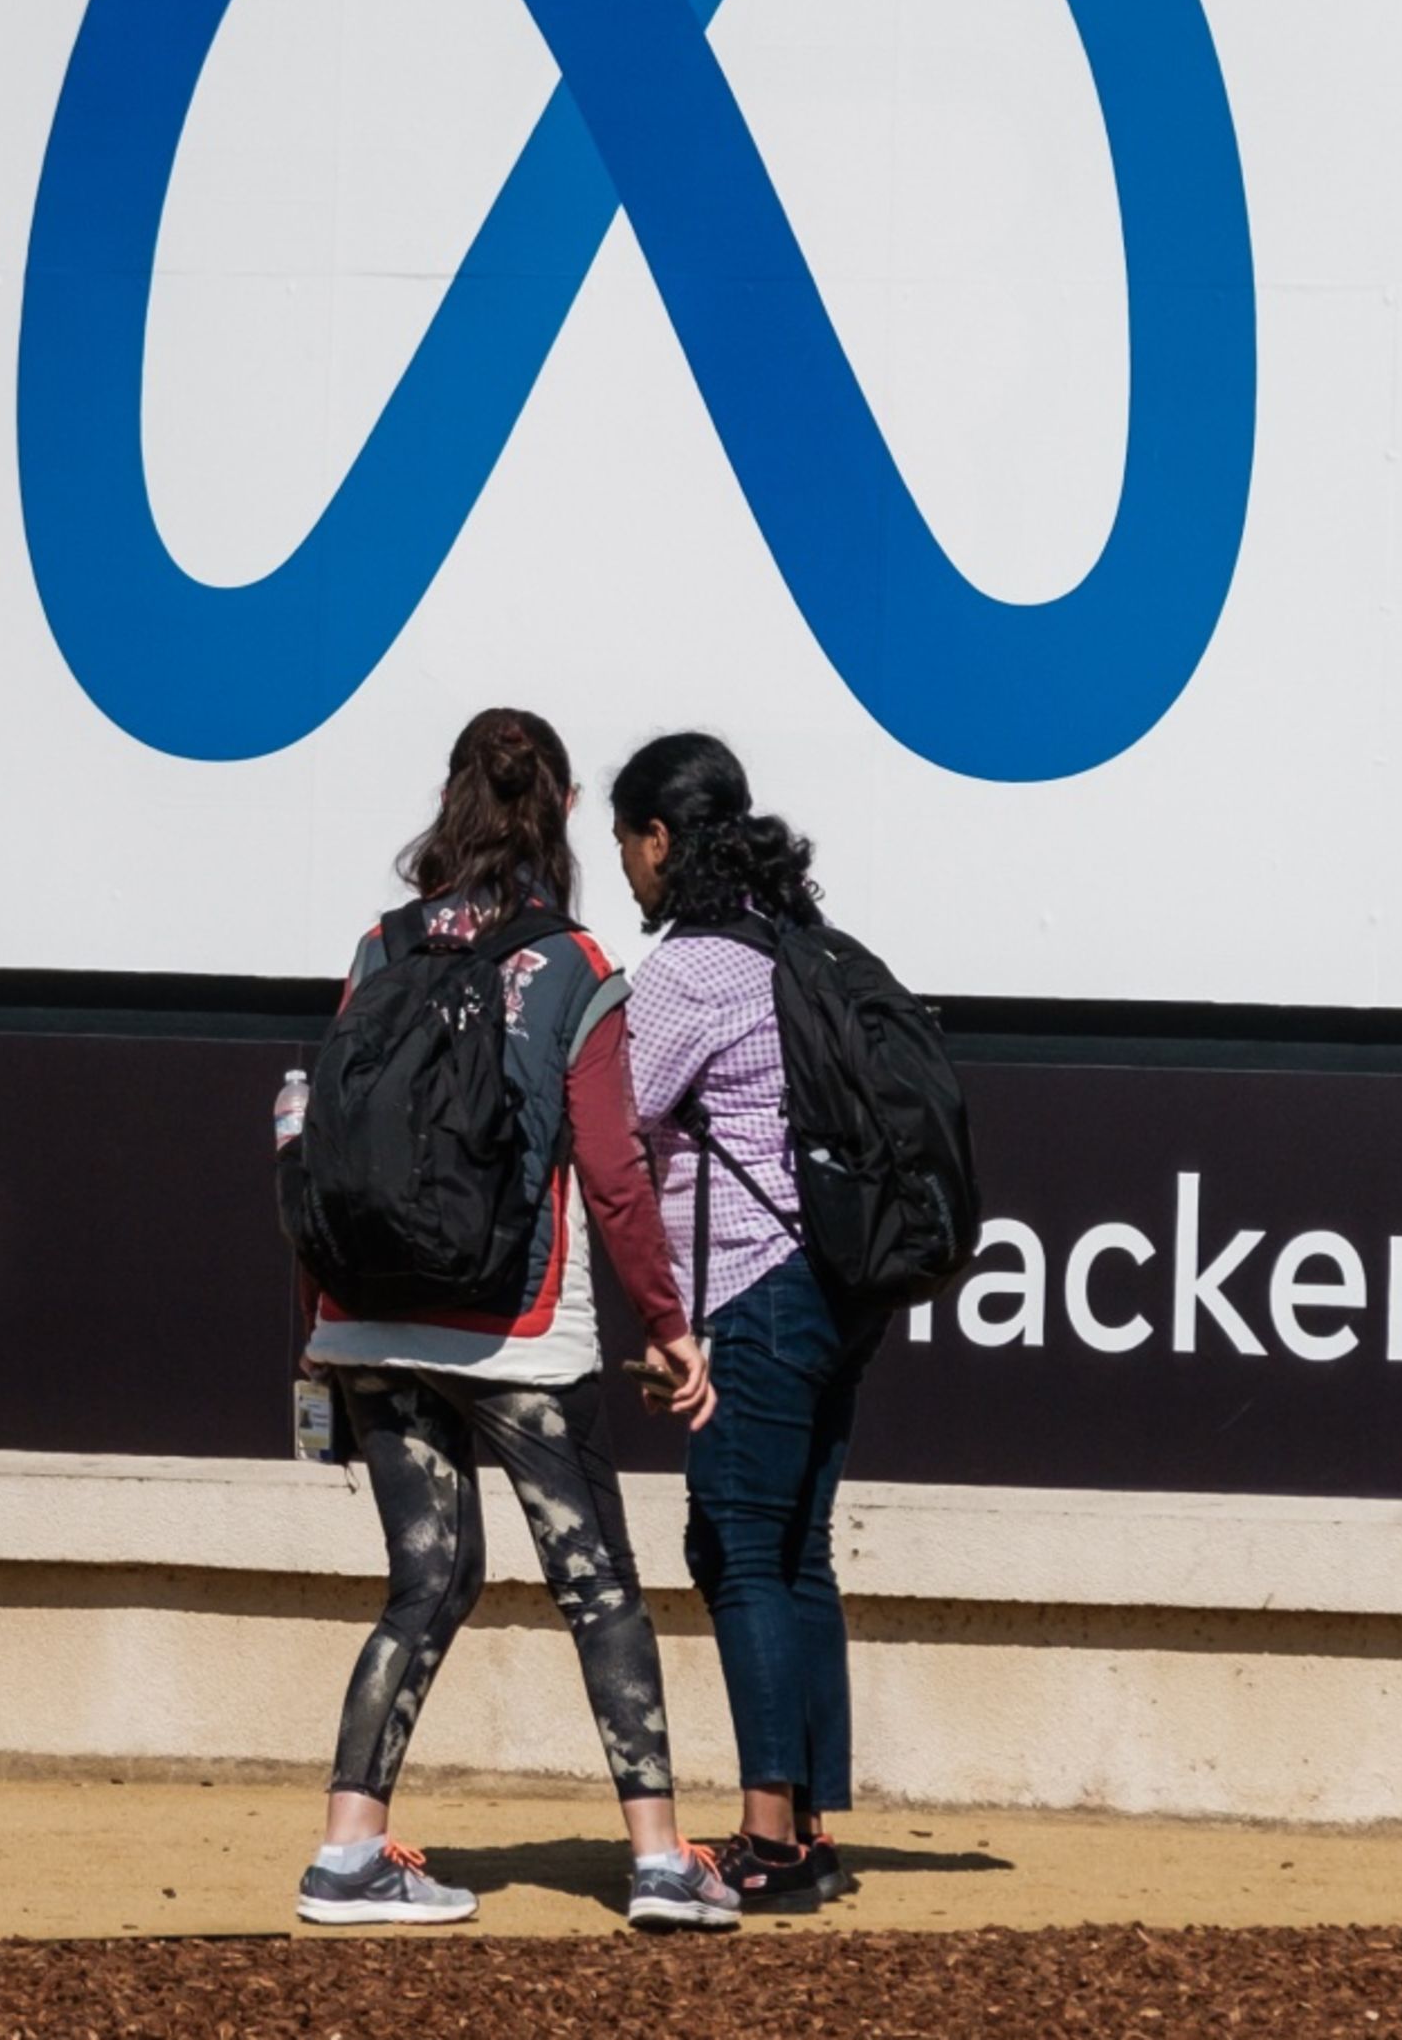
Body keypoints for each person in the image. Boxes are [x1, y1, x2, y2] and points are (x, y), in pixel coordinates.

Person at [294, 706, 737, 1934]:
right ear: (555, 814)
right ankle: (659, 1860)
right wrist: (669, 1322)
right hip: (519, 1326)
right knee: (595, 1582)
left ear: (451, 804)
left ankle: (347, 1854)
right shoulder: (576, 965)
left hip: (369, 1318)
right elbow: (612, 1170)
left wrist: (315, 1327)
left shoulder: (379, 949)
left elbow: (323, 1145)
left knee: (425, 1579)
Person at [609, 728, 873, 1914]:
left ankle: (766, 1839)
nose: (622, 866)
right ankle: (808, 1825)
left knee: (734, 1545)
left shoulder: (683, 970)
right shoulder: (793, 947)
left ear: (660, 838)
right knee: (797, 1545)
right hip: (834, 1285)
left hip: (753, 1288)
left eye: (625, 841)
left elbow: (611, 1120)